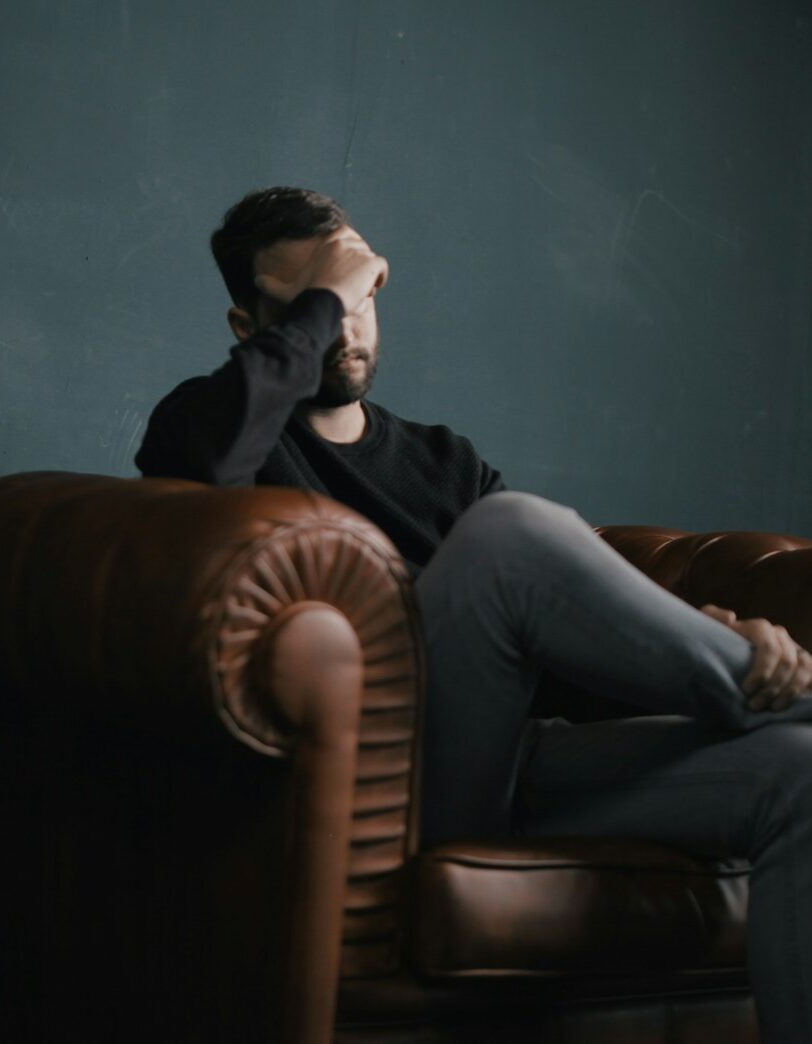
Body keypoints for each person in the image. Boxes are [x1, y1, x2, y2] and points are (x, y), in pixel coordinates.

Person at [135, 186, 812, 1041]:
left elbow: (555, 648)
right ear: (252, 327)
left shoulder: (442, 460)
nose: (346, 323)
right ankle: (760, 684)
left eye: (361, 294)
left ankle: (762, 688)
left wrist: (689, 640)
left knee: (801, 771)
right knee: (510, 533)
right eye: (320, 301)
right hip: (392, 786)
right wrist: (329, 291)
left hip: (514, 767)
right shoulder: (207, 424)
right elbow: (198, 469)